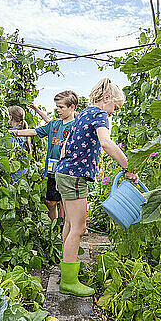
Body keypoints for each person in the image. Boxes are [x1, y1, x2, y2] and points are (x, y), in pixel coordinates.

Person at [55, 78, 138, 297]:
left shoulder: (83, 113)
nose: (113, 114)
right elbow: (106, 143)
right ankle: (69, 282)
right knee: (79, 229)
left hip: (64, 173)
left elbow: (66, 145)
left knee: (70, 225)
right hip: (75, 176)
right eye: (115, 109)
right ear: (107, 98)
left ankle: (66, 269)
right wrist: (128, 166)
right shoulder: (100, 115)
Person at [13, 91, 78, 221]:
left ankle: (65, 229)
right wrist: (15, 132)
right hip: (52, 170)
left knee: (65, 203)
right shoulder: (54, 124)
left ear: (72, 107)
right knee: (50, 202)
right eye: (57, 107)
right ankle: (53, 229)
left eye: (61, 107)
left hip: (67, 171)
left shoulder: (76, 126)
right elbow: (35, 131)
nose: (58, 110)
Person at [8, 105, 31, 182]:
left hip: (15, 176)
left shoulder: (11, 135)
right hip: (24, 175)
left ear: (11, 117)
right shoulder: (24, 134)